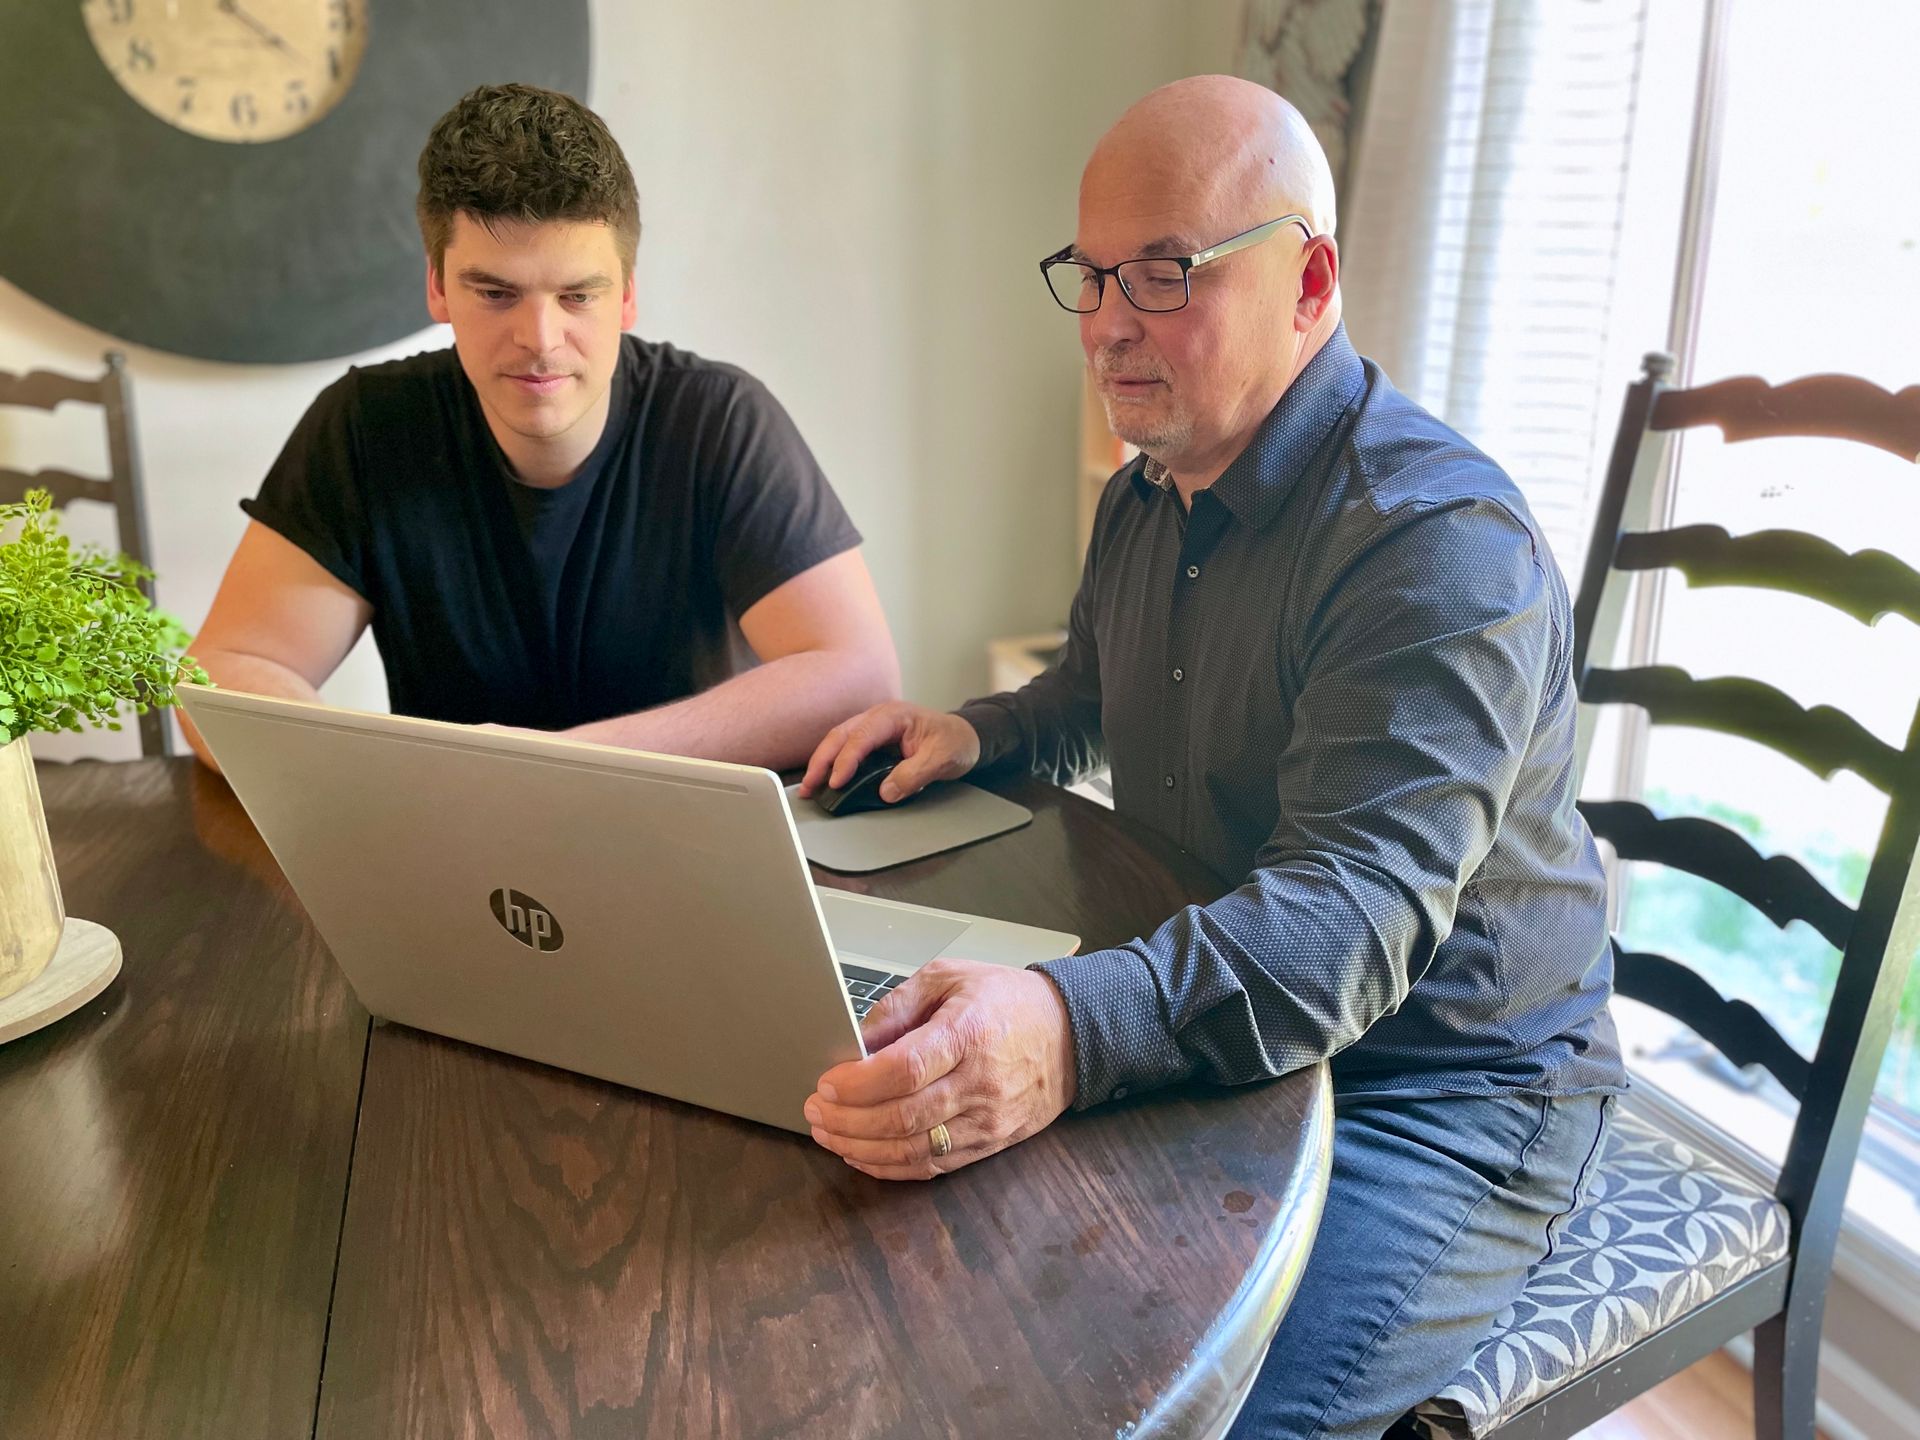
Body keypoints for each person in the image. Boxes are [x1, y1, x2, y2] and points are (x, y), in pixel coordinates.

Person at [798, 75, 1624, 1440]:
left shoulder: (1434, 546)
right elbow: (1090, 690)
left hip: (1445, 1084)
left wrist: (1067, 1028)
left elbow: (1351, 923)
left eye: (1169, 273)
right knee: (970, 1308)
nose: (1112, 322)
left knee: (1199, 1416)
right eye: (1095, 274)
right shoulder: (1148, 490)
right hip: (1243, 1016)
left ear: (1310, 283)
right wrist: (976, 731)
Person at [185, 84, 898, 772]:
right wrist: (378, 778)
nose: (541, 339)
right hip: (451, 849)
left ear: (627, 295)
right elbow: (226, 670)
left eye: (577, 295)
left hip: (683, 847)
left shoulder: (719, 421)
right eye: (496, 293)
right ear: (437, 286)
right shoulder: (368, 427)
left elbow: (855, 676)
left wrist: (559, 767)